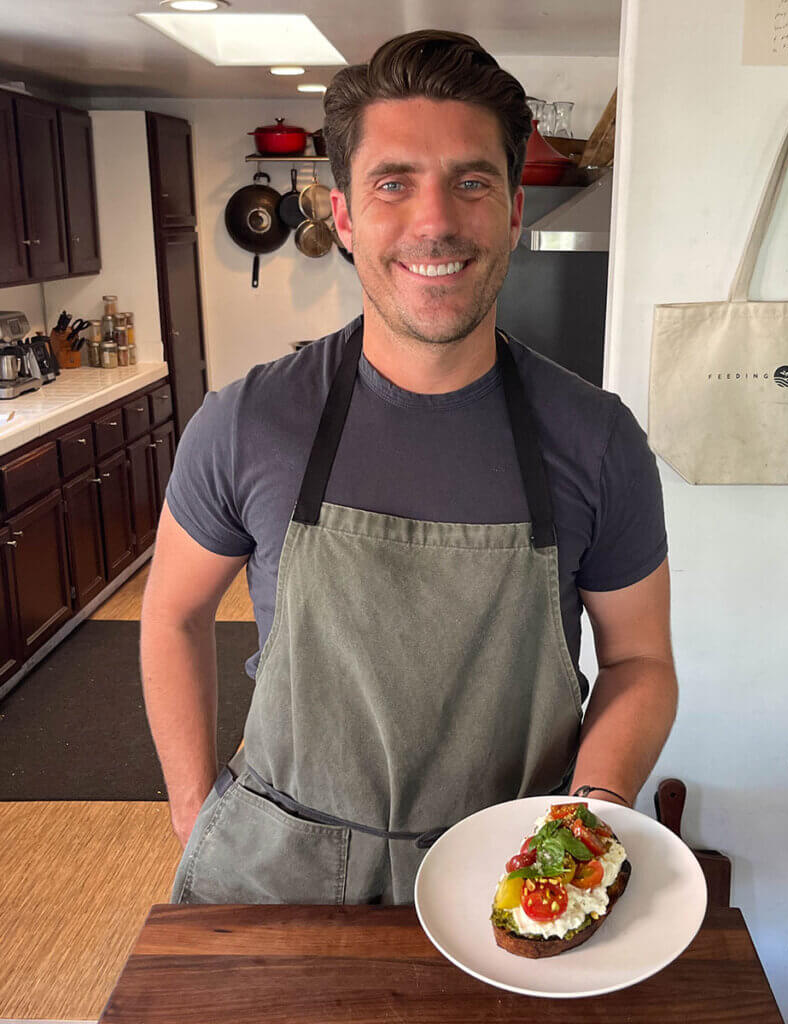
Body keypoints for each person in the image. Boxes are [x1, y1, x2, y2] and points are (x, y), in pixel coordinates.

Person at [141, 29, 678, 906]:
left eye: (472, 181)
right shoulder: (245, 422)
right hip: (281, 878)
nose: (435, 221)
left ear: (511, 211)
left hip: (507, 873)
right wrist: (195, 808)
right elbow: (170, 615)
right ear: (343, 216)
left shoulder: (598, 440)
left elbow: (640, 663)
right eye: (394, 184)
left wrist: (593, 809)